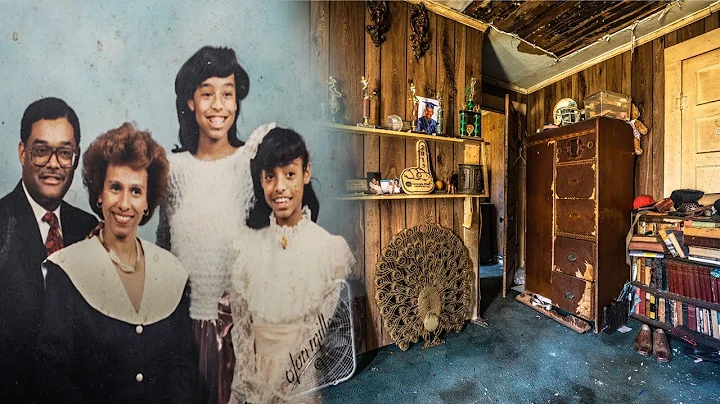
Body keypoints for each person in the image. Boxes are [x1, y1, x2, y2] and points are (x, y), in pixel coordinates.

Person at [36, 122, 197, 402]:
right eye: (115, 188)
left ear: (147, 201)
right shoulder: (67, 270)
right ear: (99, 194)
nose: (124, 203)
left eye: (136, 191)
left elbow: (183, 369)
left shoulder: (171, 271)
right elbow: (53, 375)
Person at [156, 45, 274, 404]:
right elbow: (163, 250)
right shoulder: (173, 171)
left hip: (240, 331)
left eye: (228, 94)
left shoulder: (250, 162)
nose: (218, 105)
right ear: (190, 101)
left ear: (237, 101)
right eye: (207, 94)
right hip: (185, 332)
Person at [230, 127, 354, 403]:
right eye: (270, 176)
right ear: (260, 180)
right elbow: (242, 328)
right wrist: (253, 385)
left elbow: (319, 333)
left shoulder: (329, 249)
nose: (280, 187)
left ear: (305, 174)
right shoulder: (246, 248)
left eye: (289, 174)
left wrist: (285, 384)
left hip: (301, 381)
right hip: (254, 383)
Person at [0, 97, 97, 402]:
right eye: (41, 151)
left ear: (76, 157)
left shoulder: (88, 228)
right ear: (22, 152)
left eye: (64, 153)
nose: (53, 164)